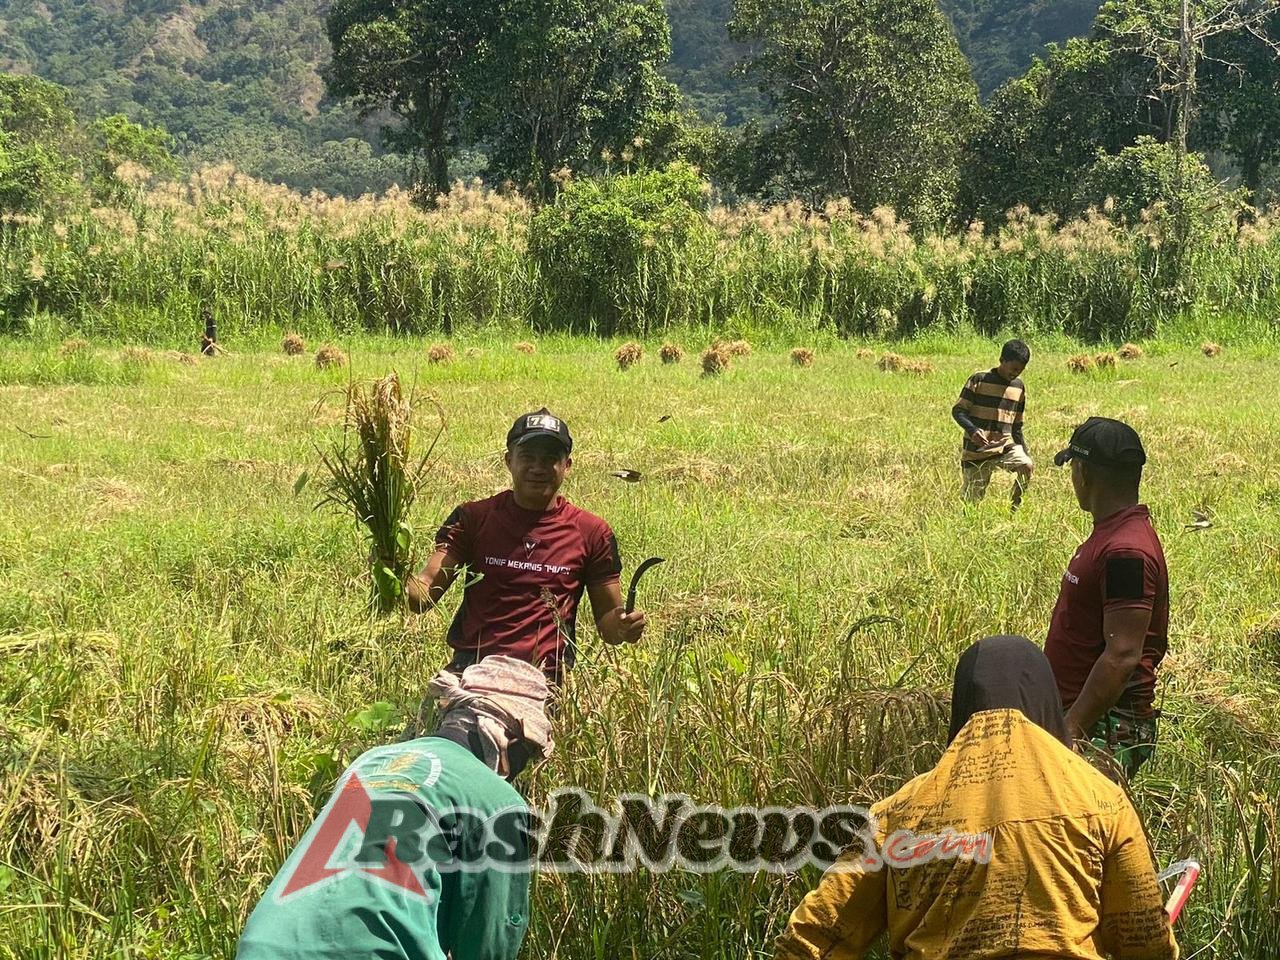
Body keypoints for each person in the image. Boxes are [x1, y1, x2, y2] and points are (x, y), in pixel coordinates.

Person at [774, 636, 1178, 960]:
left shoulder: (896, 814)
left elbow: (814, 940)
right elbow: (1145, 943)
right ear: (1048, 705)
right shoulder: (1101, 799)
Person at [236, 656, 553, 960]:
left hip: (262, 946)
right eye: (528, 753)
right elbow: (491, 941)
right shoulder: (498, 801)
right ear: (510, 739)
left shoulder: (371, 761)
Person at [405, 408, 645, 682]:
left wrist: (624, 626)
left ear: (567, 465)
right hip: (470, 670)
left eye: (550, 459)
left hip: (544, 677)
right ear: (509, 461)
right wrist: (395, 569)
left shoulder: (592, 532)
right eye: (528, 457)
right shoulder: (473, 518)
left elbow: (609, 625)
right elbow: (423, 596)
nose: (538, 468)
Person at [1047, 417, 1168, 778]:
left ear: (1083, 472)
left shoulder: (1125, 551)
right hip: (1089, 719)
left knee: (1082, 814)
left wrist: (1071, 730)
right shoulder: (1114, 535)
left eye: (1073, 468)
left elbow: (1122, 655)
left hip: (1106, 728)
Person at [952, 339, 1033, 507]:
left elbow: (1016, 426)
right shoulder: (979, 379)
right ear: (1002, 360)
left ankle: (1014, 508)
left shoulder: (1018, 387)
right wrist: (973, 430)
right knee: (971, 504)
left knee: (1026, 466)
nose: (1016, 373)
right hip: (977, 451)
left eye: (1020, 370)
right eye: (1014, 368)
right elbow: (958, 410)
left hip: (1005, 446)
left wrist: (1025, 452)